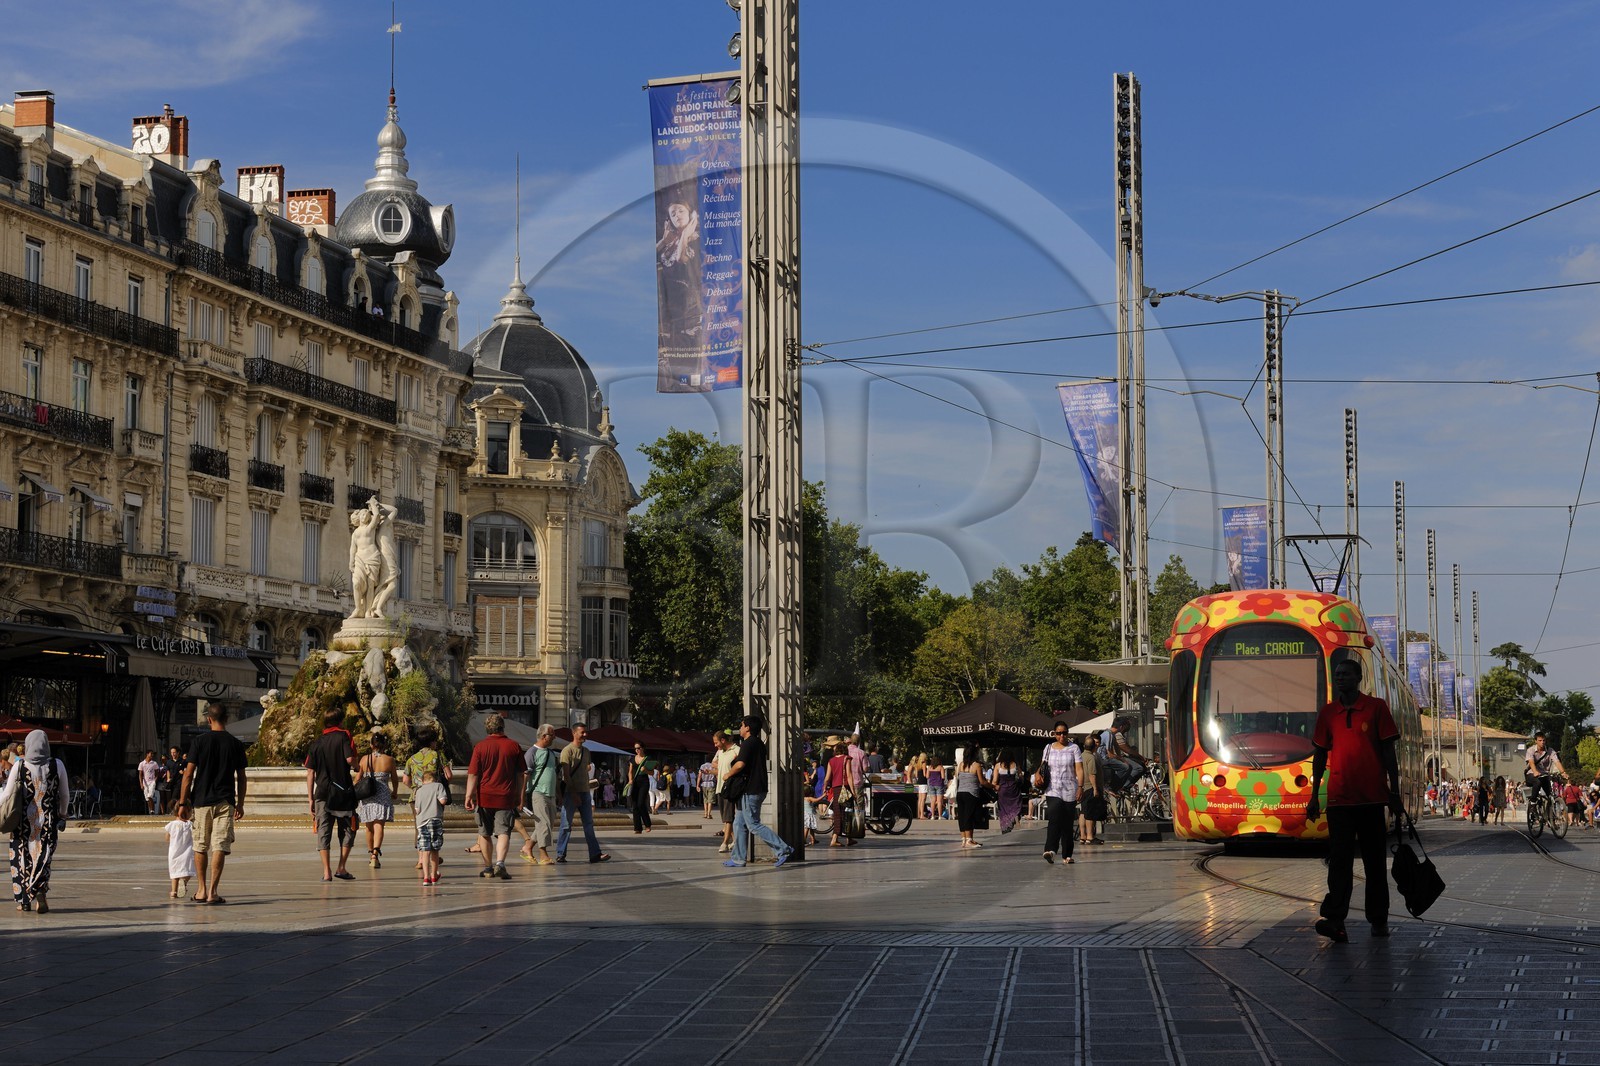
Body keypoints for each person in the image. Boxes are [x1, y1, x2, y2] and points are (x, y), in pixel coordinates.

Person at [1305, 658, 1403, 943]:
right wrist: (1314, 795)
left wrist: (1394, 793)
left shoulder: (1376, 708)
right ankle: (1335, 920)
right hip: (1339, 802)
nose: (1341, 678)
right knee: (1339, 864)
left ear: (1359, 677)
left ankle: (1379, 919)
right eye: (1338, 675)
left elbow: (1389, 754)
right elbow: (1320, 755)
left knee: (1374, 865)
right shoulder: (1328, 713)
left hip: (1372, 801)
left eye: (1347, 674)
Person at [176, 702, 248, 905]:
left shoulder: (199, 742)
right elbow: (242, 778)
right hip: (226, 801)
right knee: (220, 845)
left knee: (200, 845)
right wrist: (240, 804)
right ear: (227, 719)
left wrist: (183, 803)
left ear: (209, 719)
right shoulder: (235, 744)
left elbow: (188, 775)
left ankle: (201, 890)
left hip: (201, 801)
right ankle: (213, 892)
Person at [3, 729, 70, 913]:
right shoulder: (57, 765)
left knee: (22, 858)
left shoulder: (19, 765)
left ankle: (24, 901)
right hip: (48, 822)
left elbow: (7, 794)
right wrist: (63, 815)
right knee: (43, 858)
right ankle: (40, 890)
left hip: (23, 823)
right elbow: (65, 795)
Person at [722, 716, 794, 869]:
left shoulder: (748, 743)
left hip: (750, 789)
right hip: (756, 788)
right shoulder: (759, 743)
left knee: (753, 824)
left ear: (747, 728)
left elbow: (740, 764)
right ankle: (738, 858)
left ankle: (783, 849)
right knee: (739, 823)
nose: (740, 728)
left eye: (741, 725)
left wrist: (728, 774)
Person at [465, 712, 524, 880]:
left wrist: (469, 795)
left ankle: (488, 867)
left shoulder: (480, 747)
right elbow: (521, 774)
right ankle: (500, 864)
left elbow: (473, 774)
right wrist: (520, 795)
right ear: (503, 727)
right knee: (504, 832)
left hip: (484, 797)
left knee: (484, 833)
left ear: (487, 729)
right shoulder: (514, 746)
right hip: (506, 797)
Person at [305, 707, 358, 882]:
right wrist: (358, 767)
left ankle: (326, 872)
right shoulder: (344, 735)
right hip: (342, 793)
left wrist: (310, 798)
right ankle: (341, 867)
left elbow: (310, 772)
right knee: (348, 829)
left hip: (321, 793)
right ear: (340, 721)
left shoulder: (316, 742)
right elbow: (350, 759)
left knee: (323, 830)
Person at [556, 724, 610, 864]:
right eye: (582, 732)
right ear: (574, 733)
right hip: (570, 793)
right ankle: (561, 854)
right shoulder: (567, 751)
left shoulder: (586, 751)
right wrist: (573, 793)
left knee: (588, 824)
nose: (585, 735)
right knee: (566, 825)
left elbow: (584, 770)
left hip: (585, 792)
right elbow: (566, 775)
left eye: (586, 732)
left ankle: (595, 854)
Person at [1036, 724, 1082, 864]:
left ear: (1067, 733)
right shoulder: (1048, 748)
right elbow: (1043, 765)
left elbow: (1079, 769)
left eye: (1064, 733)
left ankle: (1067, 854)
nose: (1061, 736)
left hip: (1069, 788)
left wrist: (1080, 786)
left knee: (1067, 822)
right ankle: (1050, 850)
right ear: (1054, 733)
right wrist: (1038, 774)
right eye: (1058, 733)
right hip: (1053, 788)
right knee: (1054, 816)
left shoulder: (1074, 748)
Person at [356, 732, 398, 869]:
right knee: (379, 824)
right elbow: (395, 779)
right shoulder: (389, 760)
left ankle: (370, 855)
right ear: (384, 745)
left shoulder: (364, 759)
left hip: (367, 794)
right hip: (383, 793)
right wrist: (395, 791)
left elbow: (358, 778)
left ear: (371, 745)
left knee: (368, 825)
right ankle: (375, 853)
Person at [520, 724, 559, 864]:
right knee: (544, 823)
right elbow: (525, 776)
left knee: (547, 824)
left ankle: (528, 846)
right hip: (538, 793)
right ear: (544, 736)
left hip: (551, 794)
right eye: (552, 734)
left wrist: (558, 794)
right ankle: (543, 855)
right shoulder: (531, 752)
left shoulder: (551, 753)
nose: (554, 737)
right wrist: (522, 797)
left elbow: (553, 773)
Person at [412, 767, 446, 886]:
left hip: (421, 823)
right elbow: (442, 801)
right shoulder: (438, 786)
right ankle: (434, 875)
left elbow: (417, 809)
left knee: (425, 850)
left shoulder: (419, 791)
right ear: (434, 779)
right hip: (435, 820)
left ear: (423, 780)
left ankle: (426, 878)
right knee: (435, 850)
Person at [1099, 717, 1148, 793]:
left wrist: (1121, 758)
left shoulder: (1112, 734)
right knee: (1125, 767)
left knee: (1127, 765)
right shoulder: (1108, 735)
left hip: (1106, 758)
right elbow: (1110, 754)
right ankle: (1113, 787)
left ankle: (1119, 787)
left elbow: (1117, 748)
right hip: (1103, 759)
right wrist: (1123, 760)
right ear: (1121, 727)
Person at [823, 741, 858, 848]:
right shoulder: (846, 759)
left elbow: (828, 777)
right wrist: (853, 791)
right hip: (845, 789)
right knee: (847, 813)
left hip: (836, 789)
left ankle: (848, 838)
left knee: (839, 813)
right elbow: (849, 776)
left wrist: (824, 787)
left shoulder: (831, 761)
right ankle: (836, 838)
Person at [713, 729, 739, 853]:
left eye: (716, 742)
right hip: (720, 788)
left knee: (729, 817)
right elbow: (720, 770)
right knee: (725, 817)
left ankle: (725, 842)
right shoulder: (721, 753)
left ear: (723, 740)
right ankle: (735, 840)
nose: (715, 745)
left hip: (731, 789)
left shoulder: (736, 750)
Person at [955, 749, 986, 849]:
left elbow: (957, 777)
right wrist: (993, 786)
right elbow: (982, 781)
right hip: (971, 794)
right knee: (969, 816)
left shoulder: (960, 765)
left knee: (962, 816)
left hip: (960, 793)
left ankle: (964, 839)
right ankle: (969, 840)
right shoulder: (976, 765)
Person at [1525, 731, 1564, 813]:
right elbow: (1531, 762)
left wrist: (1563, 772)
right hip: (1532, 774)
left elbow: (1556, 761)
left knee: (1550, 795)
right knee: (1537, 782)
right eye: (1540, 740)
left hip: (1545, 775)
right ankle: (1533, 802)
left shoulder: (1550, 751)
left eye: (1544, 740)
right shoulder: (1531, 750)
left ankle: (1550, 815)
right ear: (1535, 741)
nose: (1542, 742)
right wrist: (1535, 771)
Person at [1079, 733, 1105, 845]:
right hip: (1090, 787)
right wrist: (1095, 788)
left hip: (1082, 787)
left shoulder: (1080, 756)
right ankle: (1090, 836)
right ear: (1094, 745)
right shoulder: (1091, 757)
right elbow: (1092, 774)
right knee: (1090, 812)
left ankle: (1082, 836)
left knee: (1083, 812)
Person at [165, 803, 195, 900]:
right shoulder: (190, 825)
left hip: (174, 852)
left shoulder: (171, 825)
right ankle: (184, 882)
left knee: (174, 873)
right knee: (188, 870)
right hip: (187, 852)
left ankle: (174, 891)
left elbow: (167, 838)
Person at [990, 750, 1023, 835]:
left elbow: (994, 781)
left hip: (1003, 789)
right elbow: (1021, 777)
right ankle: (1013, 817)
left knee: (1004, 809)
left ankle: (1006, 826)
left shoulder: (998, 765)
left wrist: (994, 786)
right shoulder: (1015, 765)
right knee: (1015, 805)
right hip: (1013, 789)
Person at [628, 743, 655, 834]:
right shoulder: (632, 759)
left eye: (638, 748)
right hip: (635, 783)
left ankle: (647, 824)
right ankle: (637, 828)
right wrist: (630, 780)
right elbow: (630, 771)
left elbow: (651, 773)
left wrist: (645, 770)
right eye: (635, 748)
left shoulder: (648, 759)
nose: (637, 750)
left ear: (643, 748)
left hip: (644, 782)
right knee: (635, 805)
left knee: (640, 803)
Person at [160, 746, 184, 814]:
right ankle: (175, 810)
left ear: (178, 753)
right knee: (171, 797)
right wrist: (168, 778)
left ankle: (173, 811)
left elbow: (187, 770)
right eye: (171, 752)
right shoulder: (169, 762)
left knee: (174, 796)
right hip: (171, 782)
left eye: (174, 752)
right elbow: (168, 770)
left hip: (179, 782)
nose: (173, 754)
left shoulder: (183, 761)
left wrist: (183, 772)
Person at [137, 749, 162, 815]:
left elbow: (157, 773)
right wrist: (141, 784)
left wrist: (155, 780)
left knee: (150, 795)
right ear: (147, 754)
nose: (152, 755)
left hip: (152, 782)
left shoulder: (154, 763)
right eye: (151, 754)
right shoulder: (142, 763)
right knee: (147, 798)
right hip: (145, 782)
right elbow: (140, 774)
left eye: (152, 754)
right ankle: (151, 810)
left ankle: (152, 810)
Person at [925, 754, 946, 821]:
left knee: (933, 801)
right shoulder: (940, 767)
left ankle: (933, 816)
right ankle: (940, 816)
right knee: (939, 801)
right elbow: (943, 777)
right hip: (939, 784)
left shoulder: (929, 767)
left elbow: (927, 776)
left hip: (931, 785)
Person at [698, 753, 718, 819]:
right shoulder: (713, 766)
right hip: (711, 783)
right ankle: (709, 814)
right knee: (710, 800)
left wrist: (697, 785)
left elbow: (699, 776)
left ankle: (705, 813)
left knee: (705, 799)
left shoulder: (702, 766)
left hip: (704, 784)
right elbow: (716, 775)